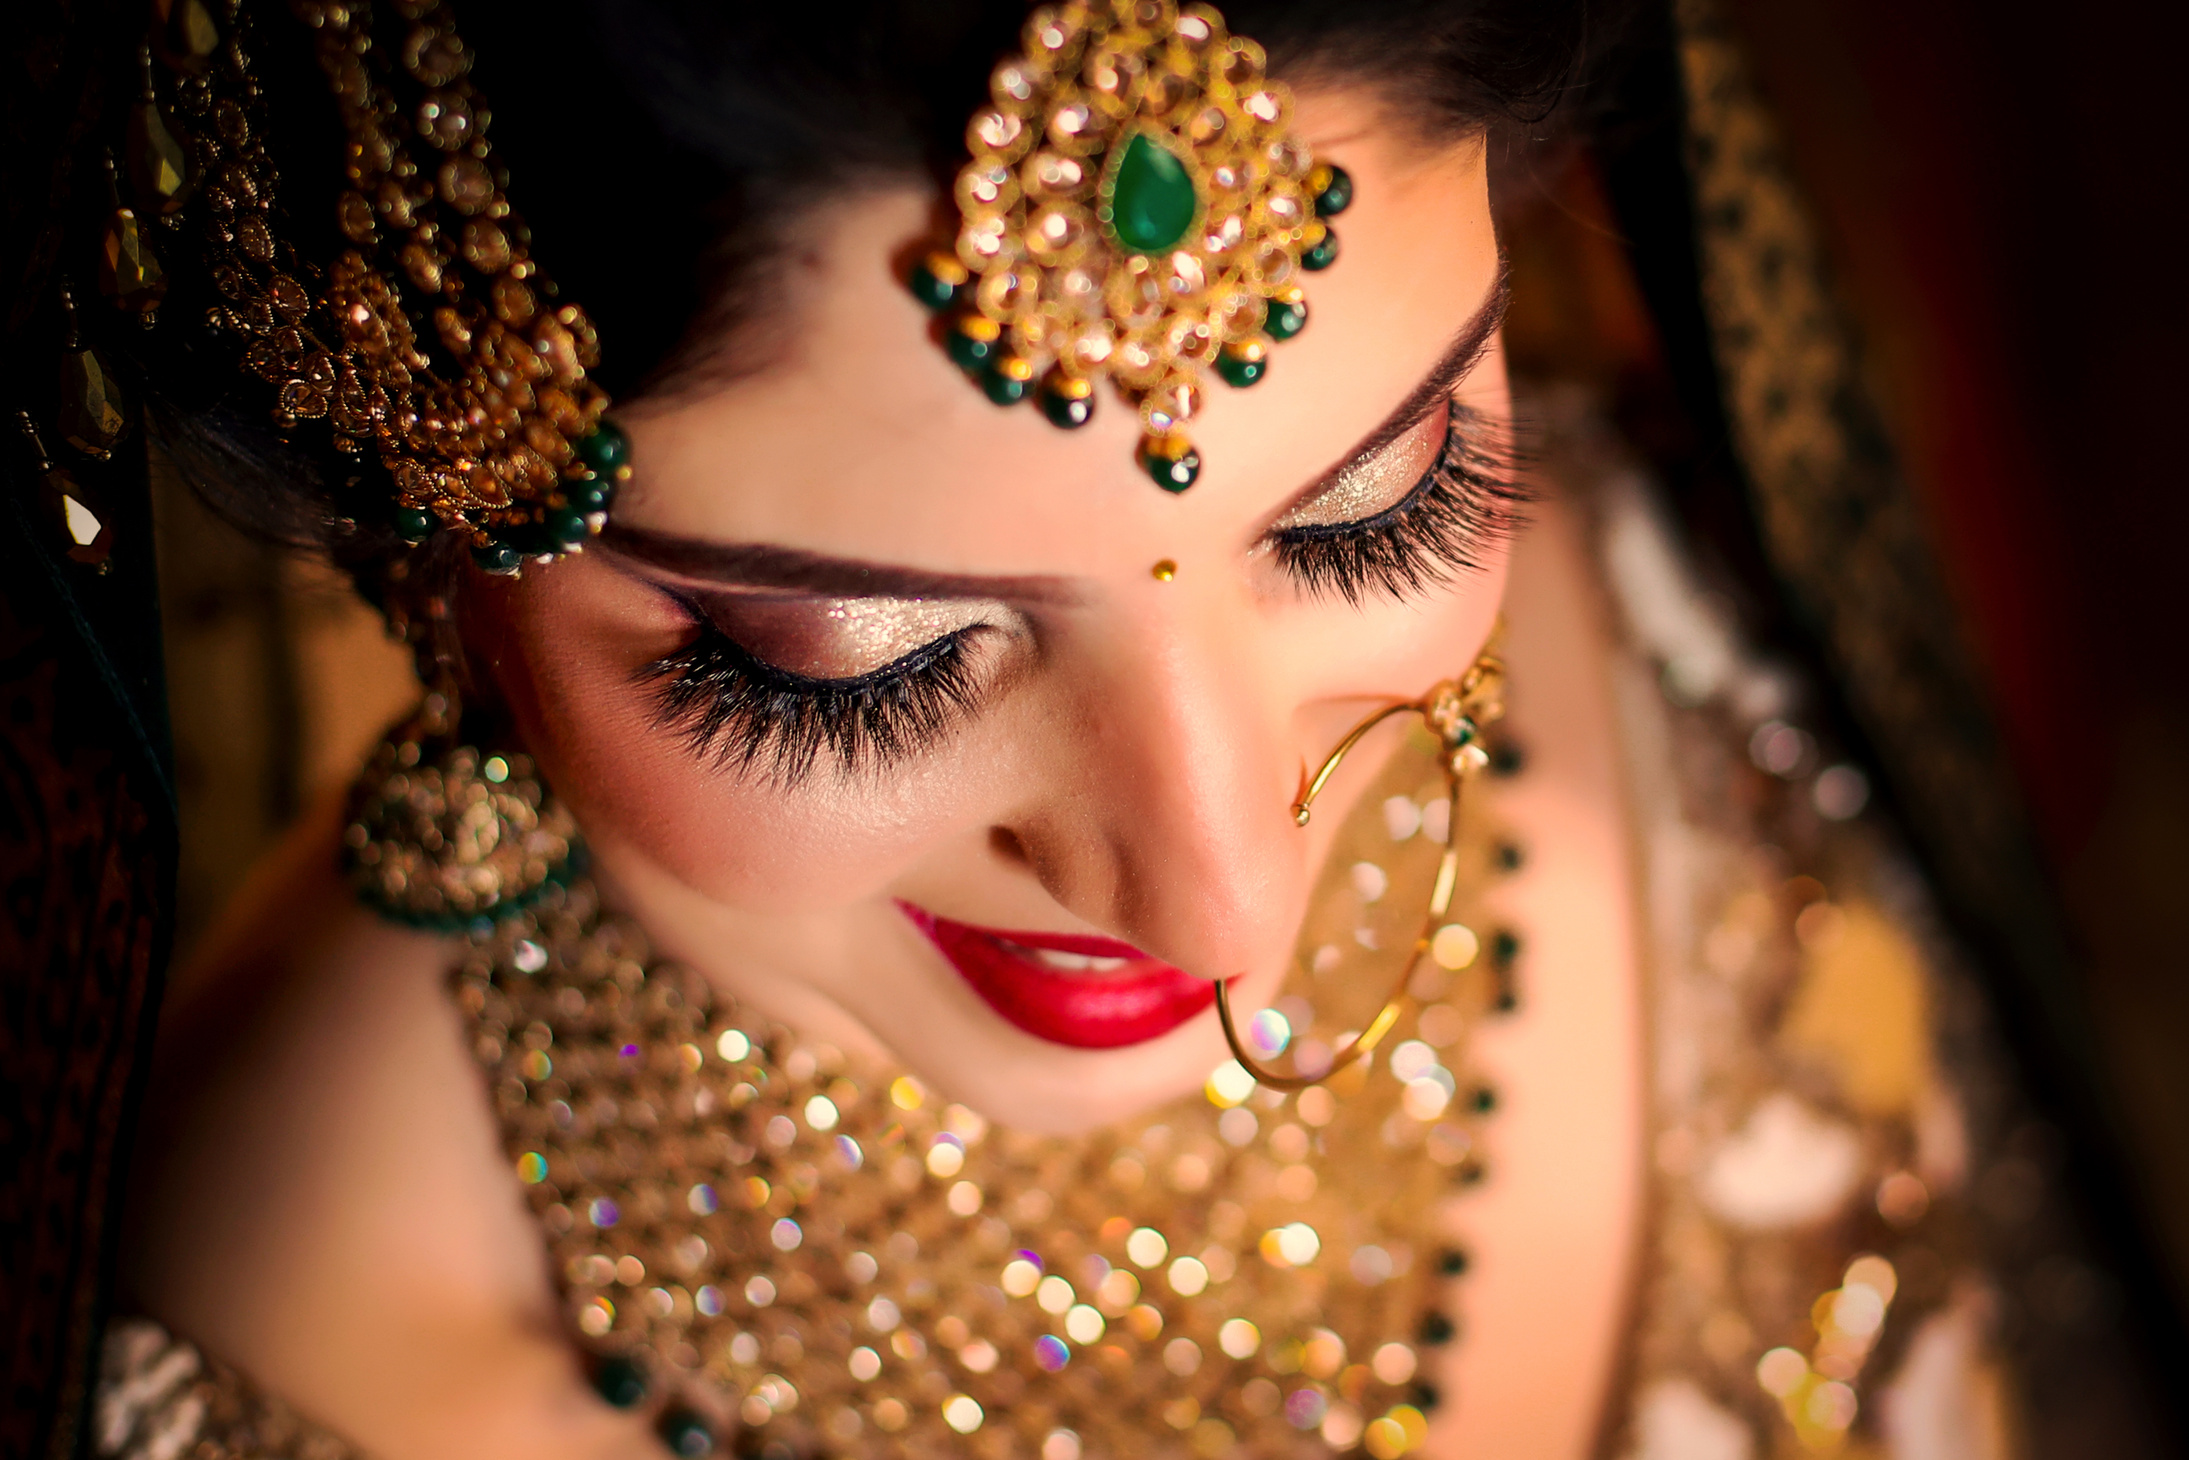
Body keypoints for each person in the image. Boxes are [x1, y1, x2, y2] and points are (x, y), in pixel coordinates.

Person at [54, 1, 2169, 1457]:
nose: (1226, 886)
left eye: (1375, 502)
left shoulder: (1685, 579)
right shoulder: (327, 1357)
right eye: (853, 662)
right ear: (412, 531)